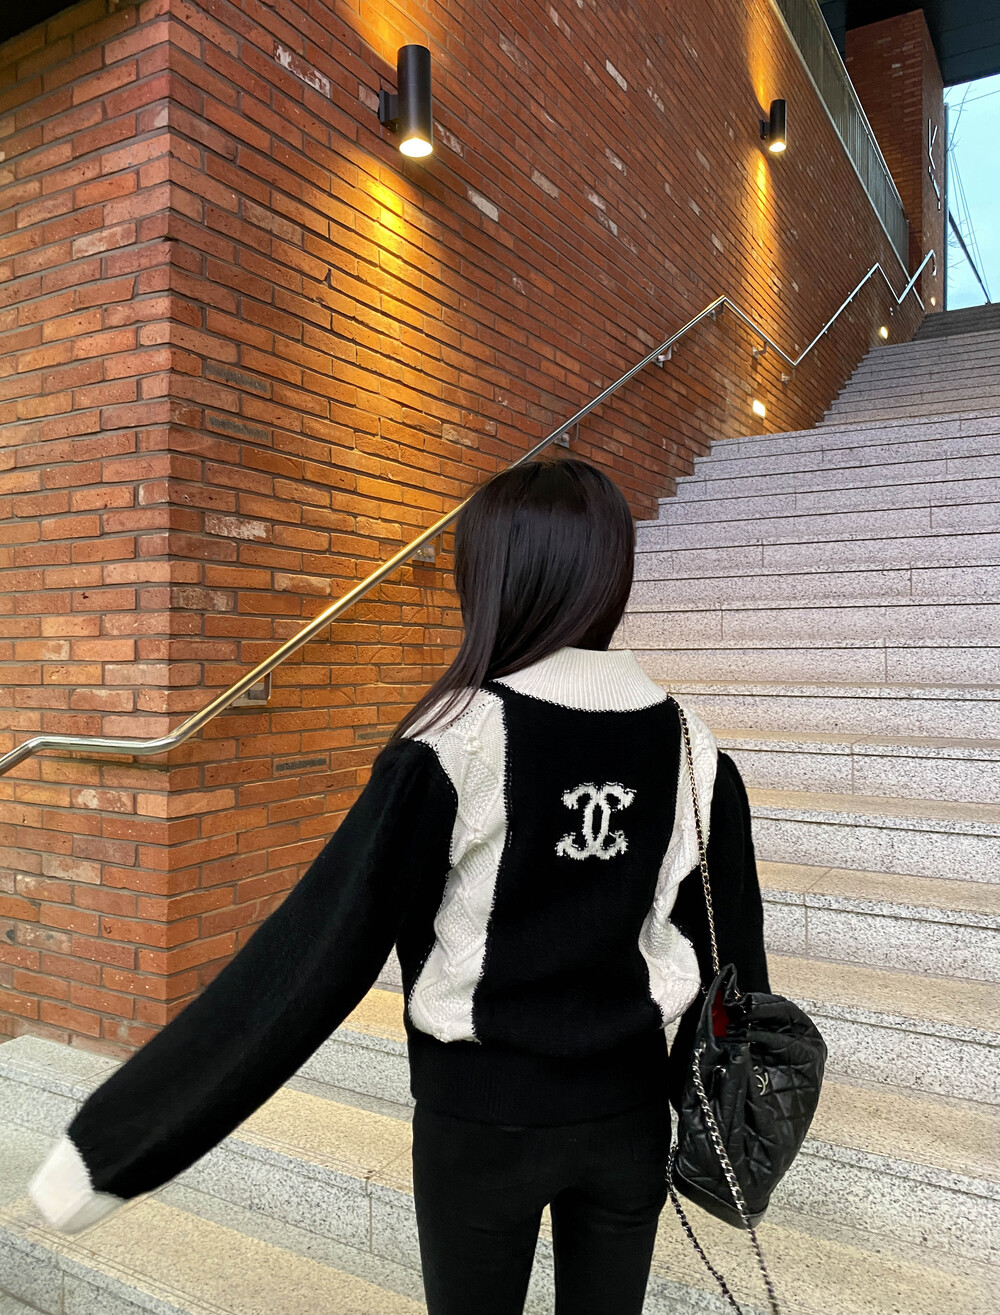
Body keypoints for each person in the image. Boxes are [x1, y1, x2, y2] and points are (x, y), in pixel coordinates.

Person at [28, 455, 769, 1314]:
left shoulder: (455, 741)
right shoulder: (694, 751)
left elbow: (311, 956)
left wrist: (110, 1150)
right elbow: (736, 975)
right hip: (627, 1122)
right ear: (611, 574)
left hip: (478, 1125)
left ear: (491, 578)